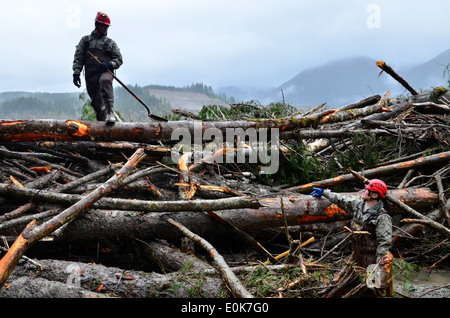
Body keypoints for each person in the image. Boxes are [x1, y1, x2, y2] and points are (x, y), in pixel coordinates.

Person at [311, 179, 393, 297]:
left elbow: (384, 244)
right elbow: (340, 199)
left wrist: (377, 268)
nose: (363, 191)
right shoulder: (358, 205)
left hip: (372, 261)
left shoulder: (382, 217)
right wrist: (324, 192)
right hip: (356, 256)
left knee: (371, 291)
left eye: (366, 190)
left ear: (374, 195)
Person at [72, 12, 123, 123]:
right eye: (103, 26)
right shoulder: (85, 41)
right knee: (97, 104)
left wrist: (109, 64)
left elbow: (119, 60)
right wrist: (76, 73)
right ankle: (102, 128)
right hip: (91, 76)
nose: (106, 28)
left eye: (107, 26)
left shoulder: (110, 43)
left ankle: (110, 112)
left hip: (106, 72)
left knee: (104, 81)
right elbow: (78, 58)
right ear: (97, 25)